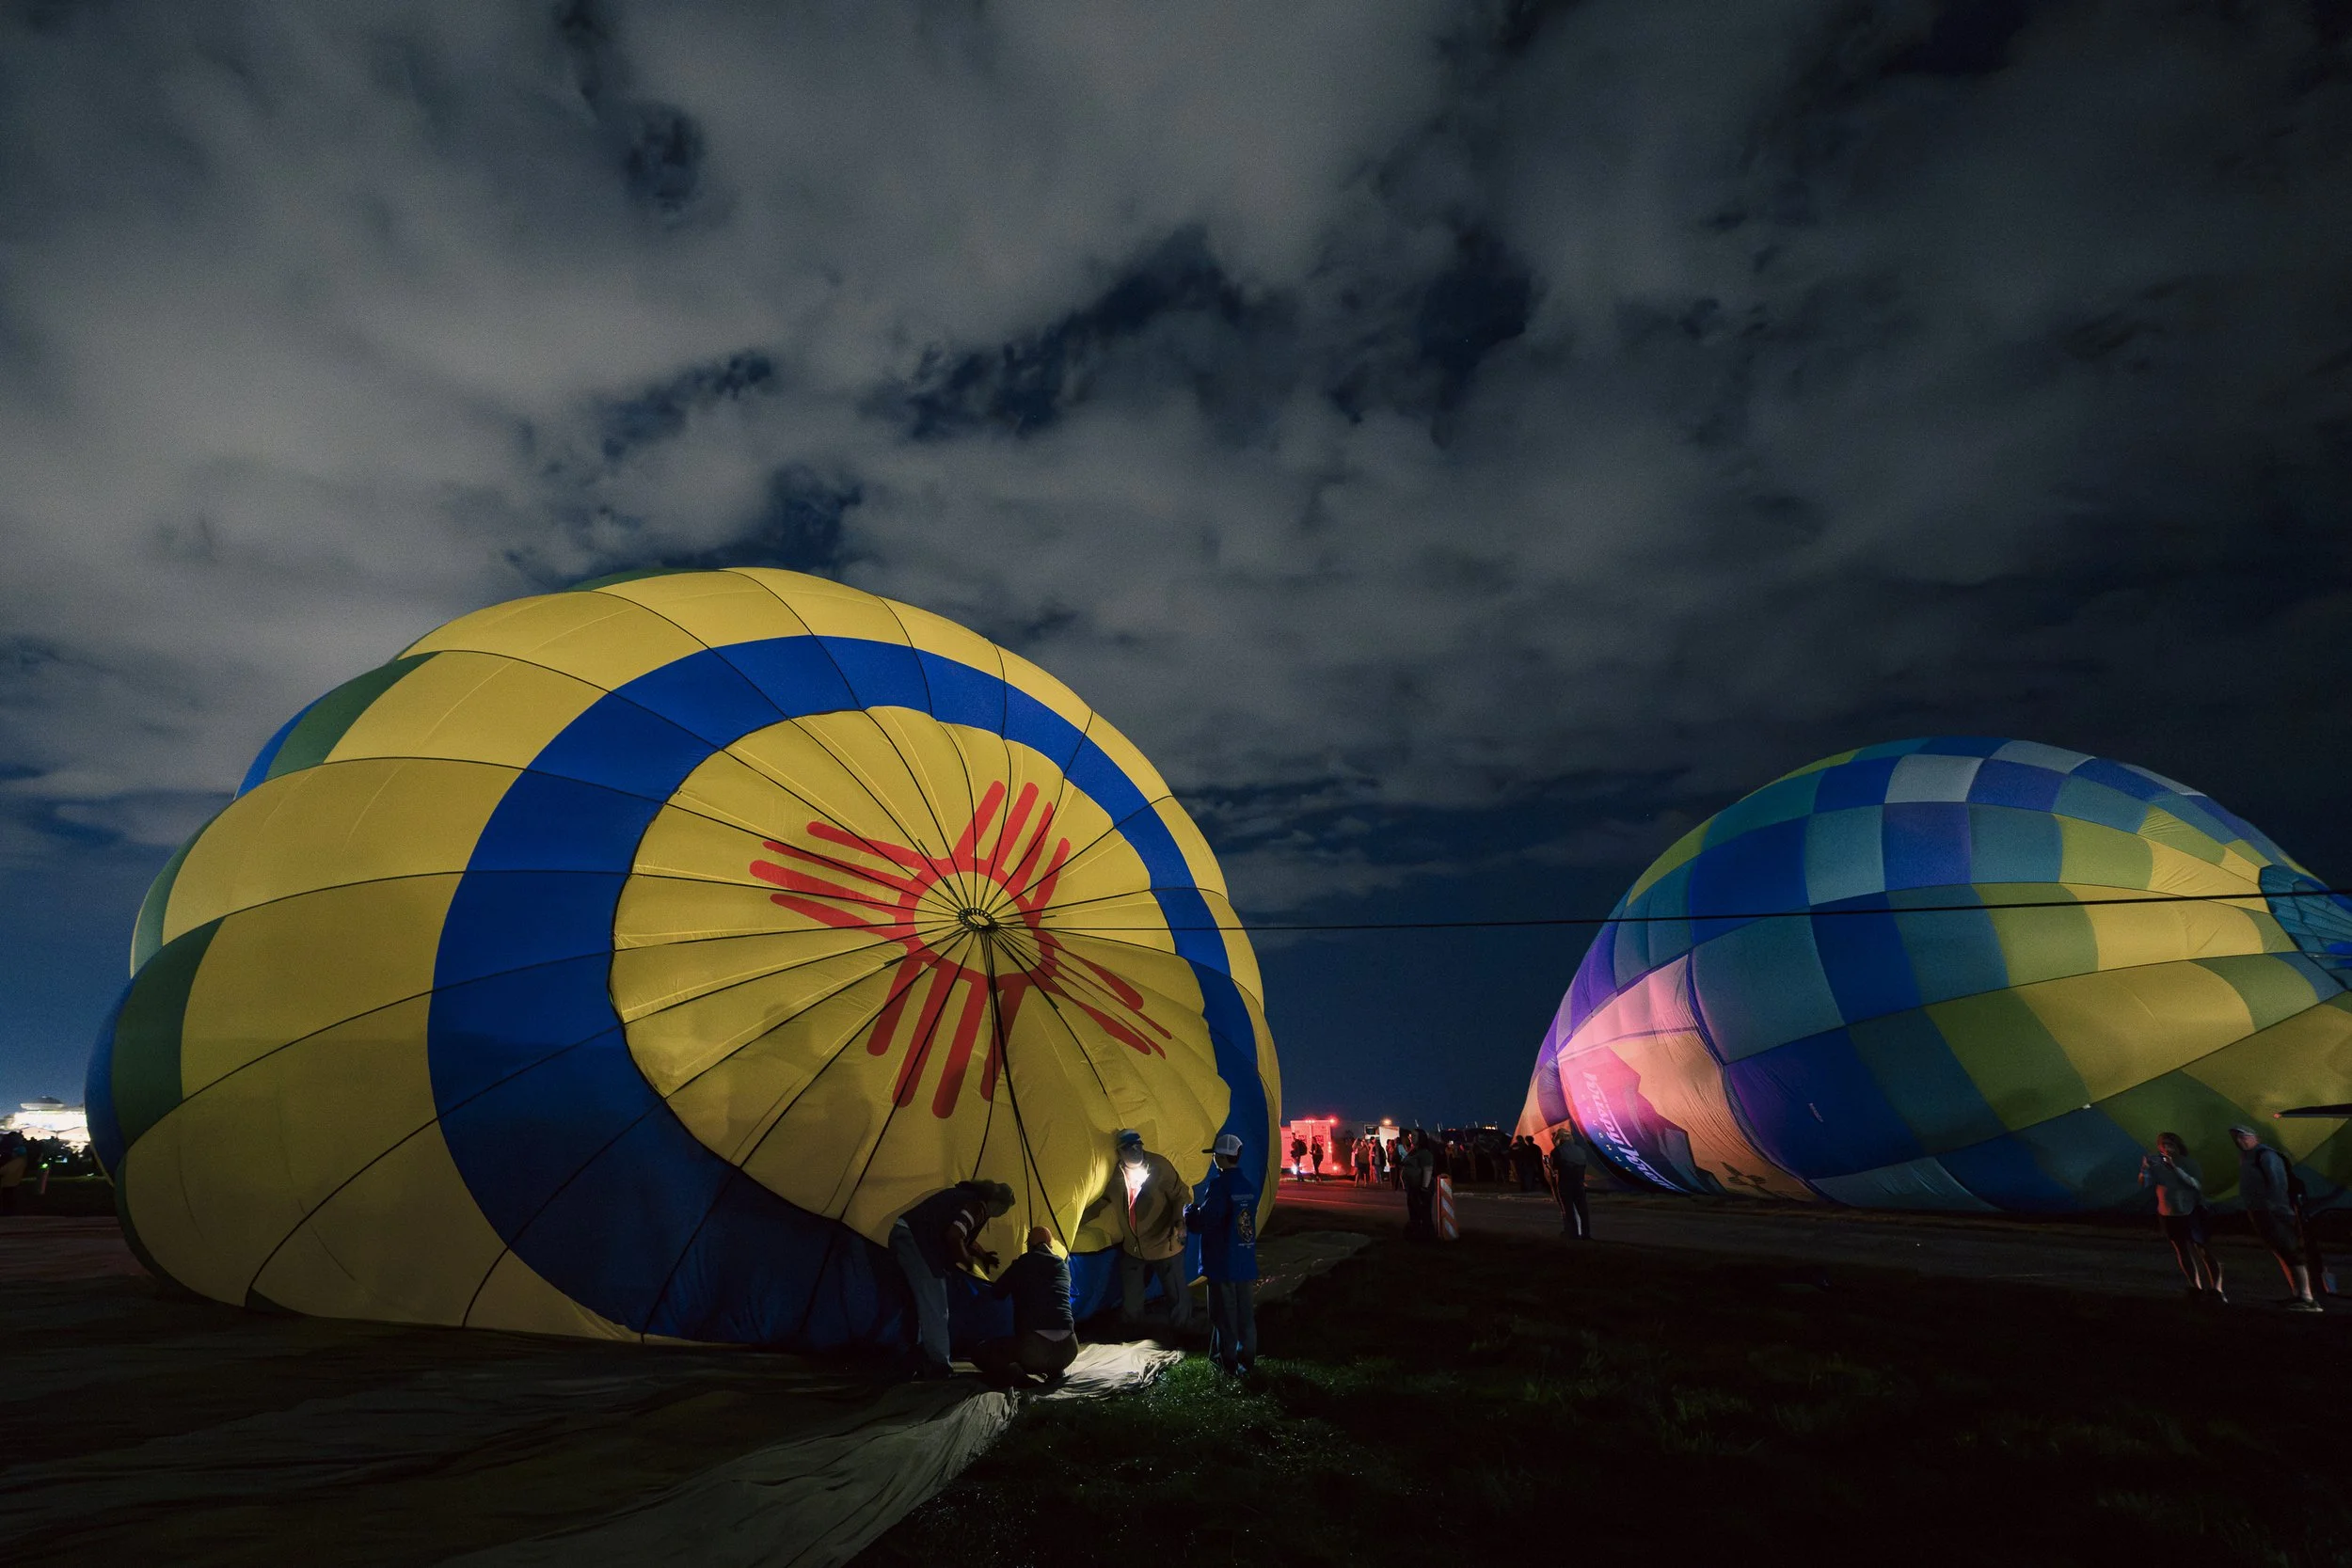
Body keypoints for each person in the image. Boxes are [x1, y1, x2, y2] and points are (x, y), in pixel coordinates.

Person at [890, 1180, 1014, 1378]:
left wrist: (982, 1255)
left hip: (904, 1234)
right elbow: (954, 1236)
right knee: (936, 1304)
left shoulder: (966, 1198)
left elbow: (960, 1232)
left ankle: (915, 1356)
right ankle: (939, 1365)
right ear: (997, 1203)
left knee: (921, 1302)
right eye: (1004, 1209)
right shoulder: (977, 1206)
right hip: (917, 1241)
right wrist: (967, 1262)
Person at [1102, 1129, 1192, 1335]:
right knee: (1132, 1295)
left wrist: (1179, 1220)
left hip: (1164, 1243)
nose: (1135, 1151)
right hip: (1134, 1247)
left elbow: (1180, 1194)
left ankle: (1183, 1332)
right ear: (1119, 1152)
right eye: (1129, 1148)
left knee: (1176, 1292)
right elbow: (1102, 1201)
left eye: (1138, 1146)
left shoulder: (1159, 1166)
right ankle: (1132, 1330)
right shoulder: (1116, 1176)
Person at [1185, 1132, 1261, 1374]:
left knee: (1222, 1315)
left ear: (1220, 1157)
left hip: (1222, 1262)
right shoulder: (1247, 1186)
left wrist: (1189, 1212)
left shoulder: (1220, 1186)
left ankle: (1227, 1364)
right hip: (1244, 1261)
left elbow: (1205, 1221)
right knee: (1244, 1316)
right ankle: (1247, 1360)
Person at [973, 1227, 1079, 1387]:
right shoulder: (1063, 1266)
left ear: (1029, 1244)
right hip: (1069, 1349)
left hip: (1035, 1349)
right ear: (1050, 1245)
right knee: (1042, 1347)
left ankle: (1021, 1379)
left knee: (981, 1353)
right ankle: (1055, 1370)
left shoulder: (1023, 1263)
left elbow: (998, 1293)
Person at [2233, 1125, 2319, 1310]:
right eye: (2237, 1138)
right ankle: (2297, 1293)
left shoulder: (2265, 1155)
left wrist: (2276, 1208)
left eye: (2243, 1136)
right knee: (2281, 1250)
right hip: (2258, 1210)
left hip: (2273, 1211)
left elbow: (2278, 1183)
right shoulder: (2246, 1157)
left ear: (2255, 1137)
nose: (2240, 1141)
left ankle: (2306, 1296)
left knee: (2289, 1250)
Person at [2138, 1133, 2222, 1300]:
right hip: (2168, 1212)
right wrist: (2145, 1169)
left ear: (2177, 1146)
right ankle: (2195, 1287)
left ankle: (2217, 1289)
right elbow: (2145, 1184)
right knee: (2181, 1250)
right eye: (2162, 1145)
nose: (2166, 1148)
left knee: (2203, 1249)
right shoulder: (2156, 1163)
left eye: (2170, 1144)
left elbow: (2196, 1184)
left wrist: (2175, 1168)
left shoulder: (2188, 1162)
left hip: (2191, 1211)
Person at [1548, 1127, 1592, 1241]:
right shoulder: (1580, 1150)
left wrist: (1548, 1165)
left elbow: (1555, 1168)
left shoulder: (1557, 1151)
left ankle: (1573, 1234)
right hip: (1579, 1182)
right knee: (1583, 1210)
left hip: (1565, 1182)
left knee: (1568, 1210)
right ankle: (1586, 1234)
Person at [1402, 1128, 1438, 1241]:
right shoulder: (1413, 1151)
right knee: (1414, 1212)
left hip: (1421, 1188)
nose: (1411, 1138)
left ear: (1421, 1138)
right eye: (1411, 1136)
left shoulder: (1425, 1153)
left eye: (1414, 1136)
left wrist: (1424, 1188)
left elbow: (1428, 1170)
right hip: (1412, 1187)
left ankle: (1427, 1236)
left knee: (1424, 1212)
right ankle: (1416, 1233)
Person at [0, 1132, 26, 1216]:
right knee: (9, 1196)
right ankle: (9, 1210)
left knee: (7, 1197)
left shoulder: (13, 1160)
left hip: (7, 1182)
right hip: (13, 1181)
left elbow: (4, 1170)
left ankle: (7, 1211)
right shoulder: (20, 1160)